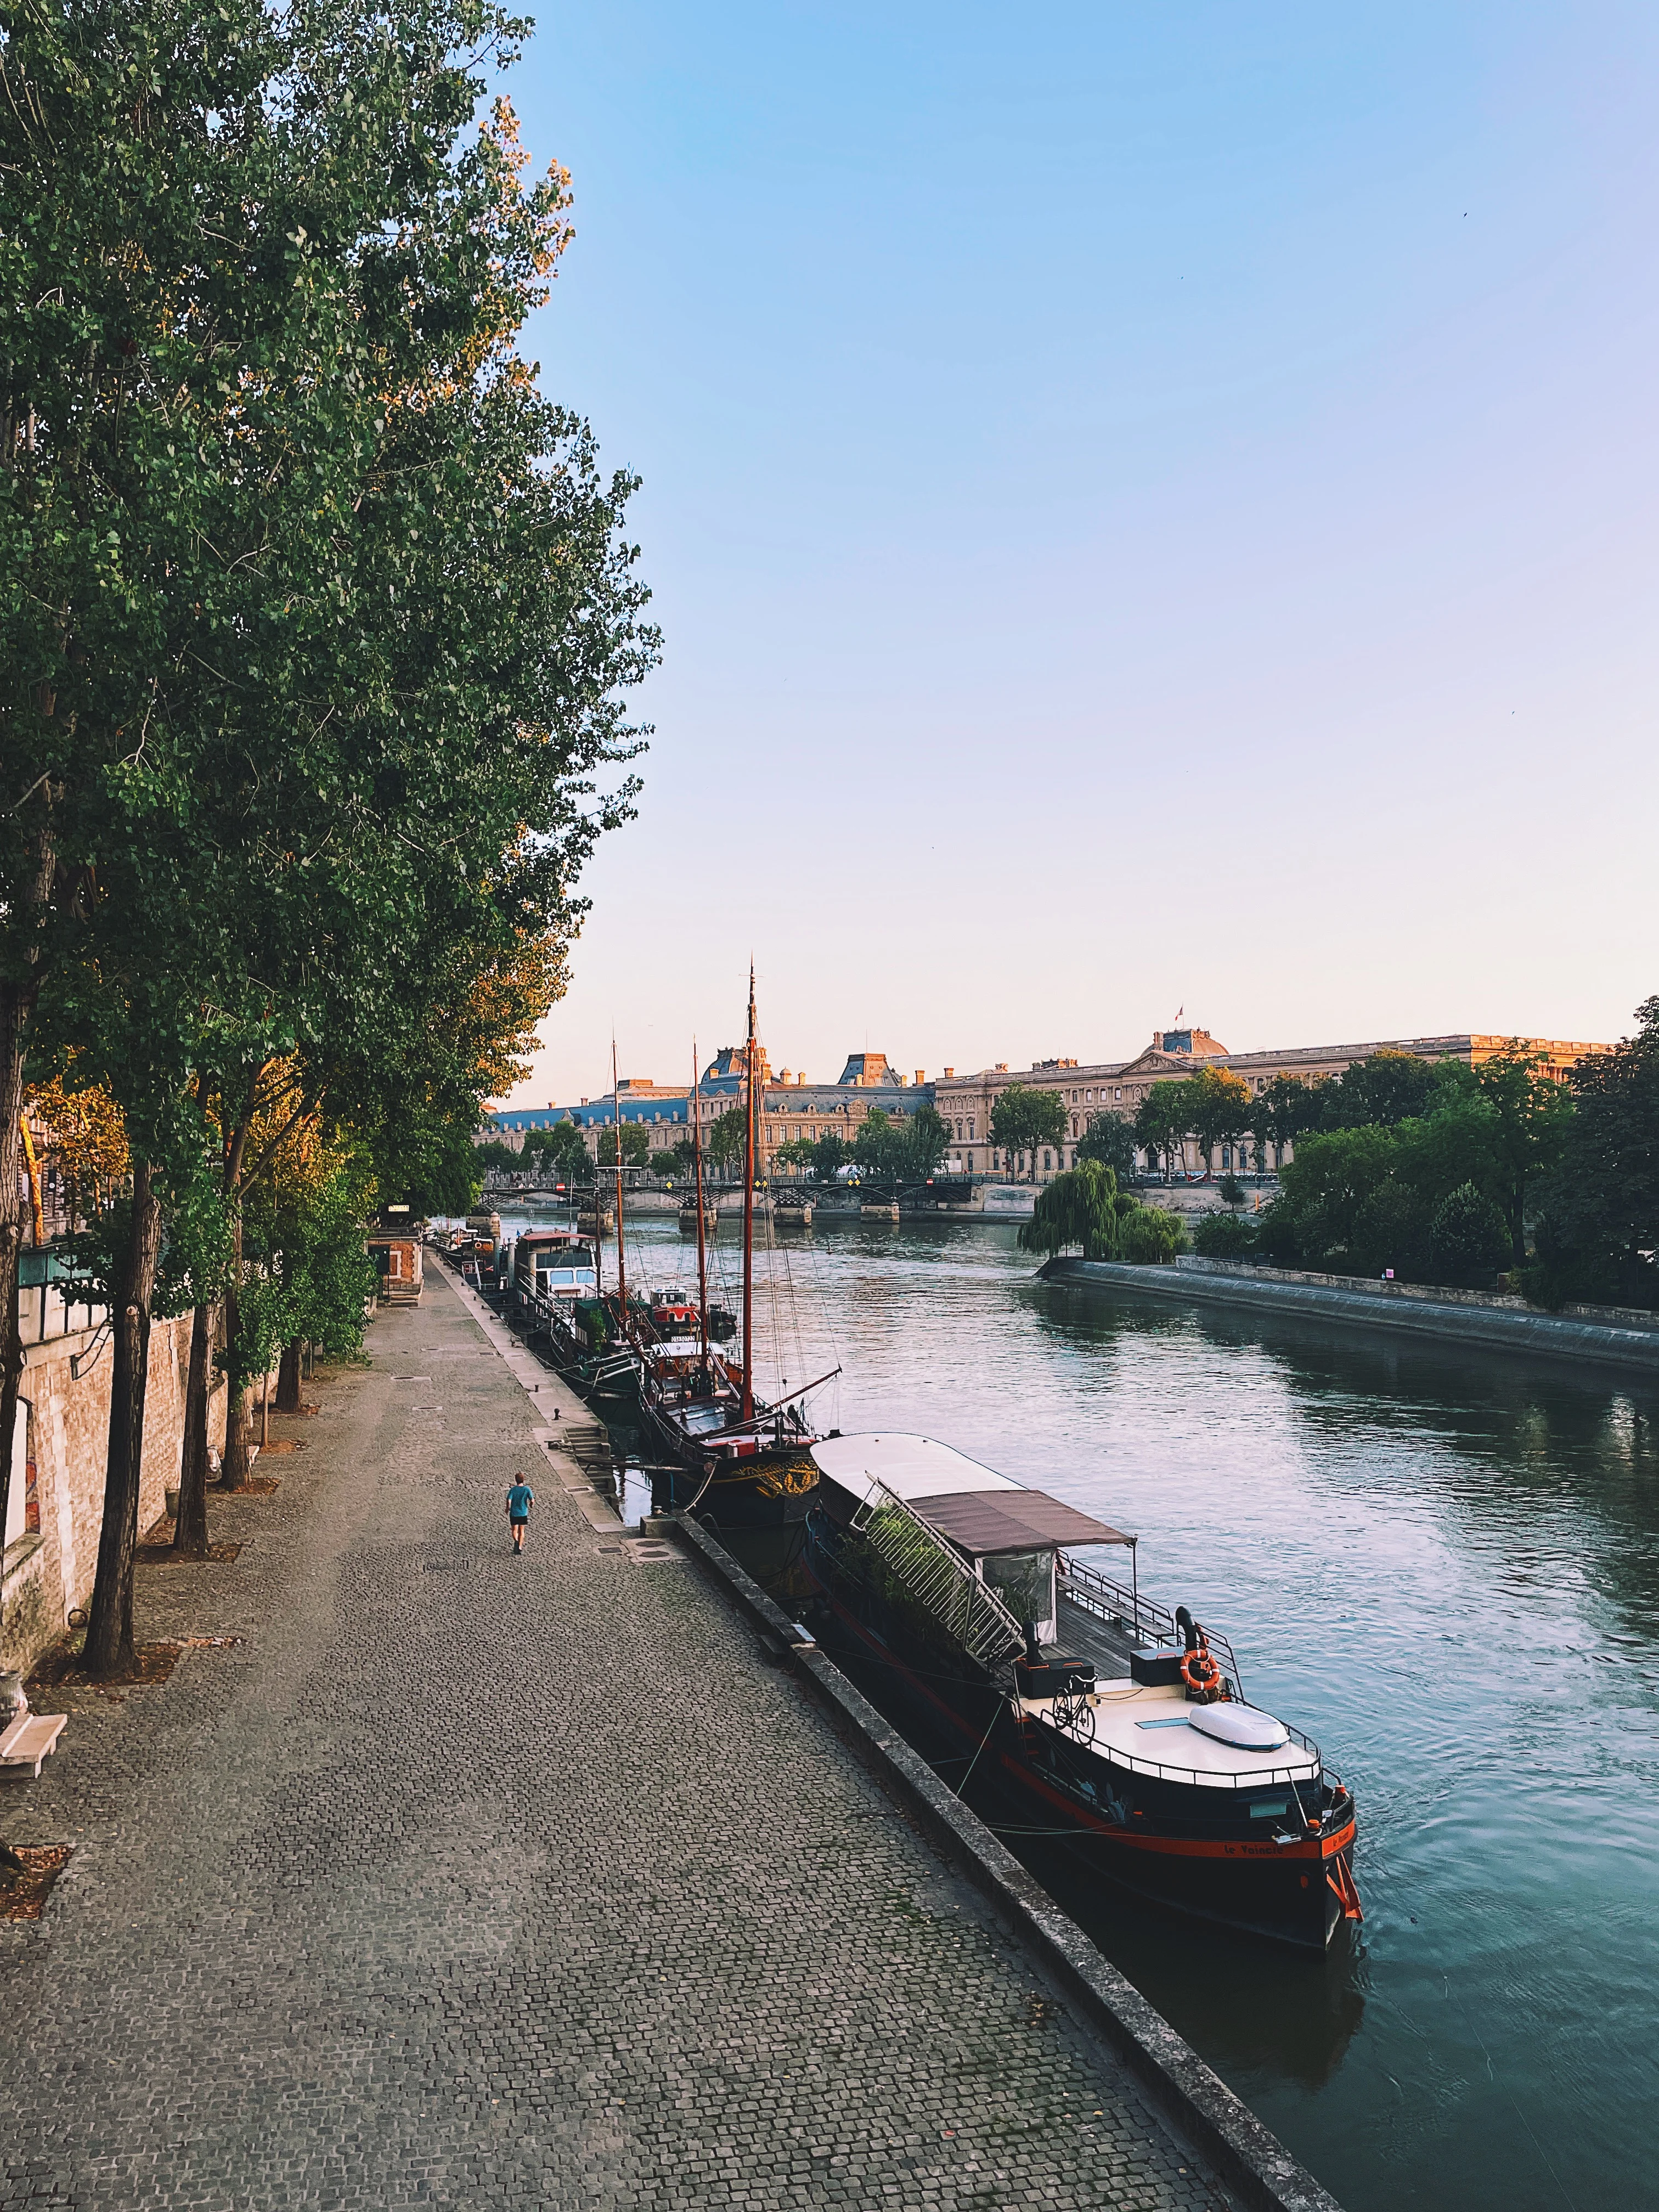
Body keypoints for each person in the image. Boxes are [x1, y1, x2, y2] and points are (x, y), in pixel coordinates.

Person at [505, 1475, 535, 1554]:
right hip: (523, 1513)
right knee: (522, 1531)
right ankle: (520, 1547)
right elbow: (532, 1500)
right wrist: (531, 1505)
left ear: (516, 1480)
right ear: (523, 1480)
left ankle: (516, 1541)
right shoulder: (527, 1489)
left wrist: (507, 1508)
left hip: (514, 1513)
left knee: (515, 1530)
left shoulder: (513, 1490)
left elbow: (509, 1500)